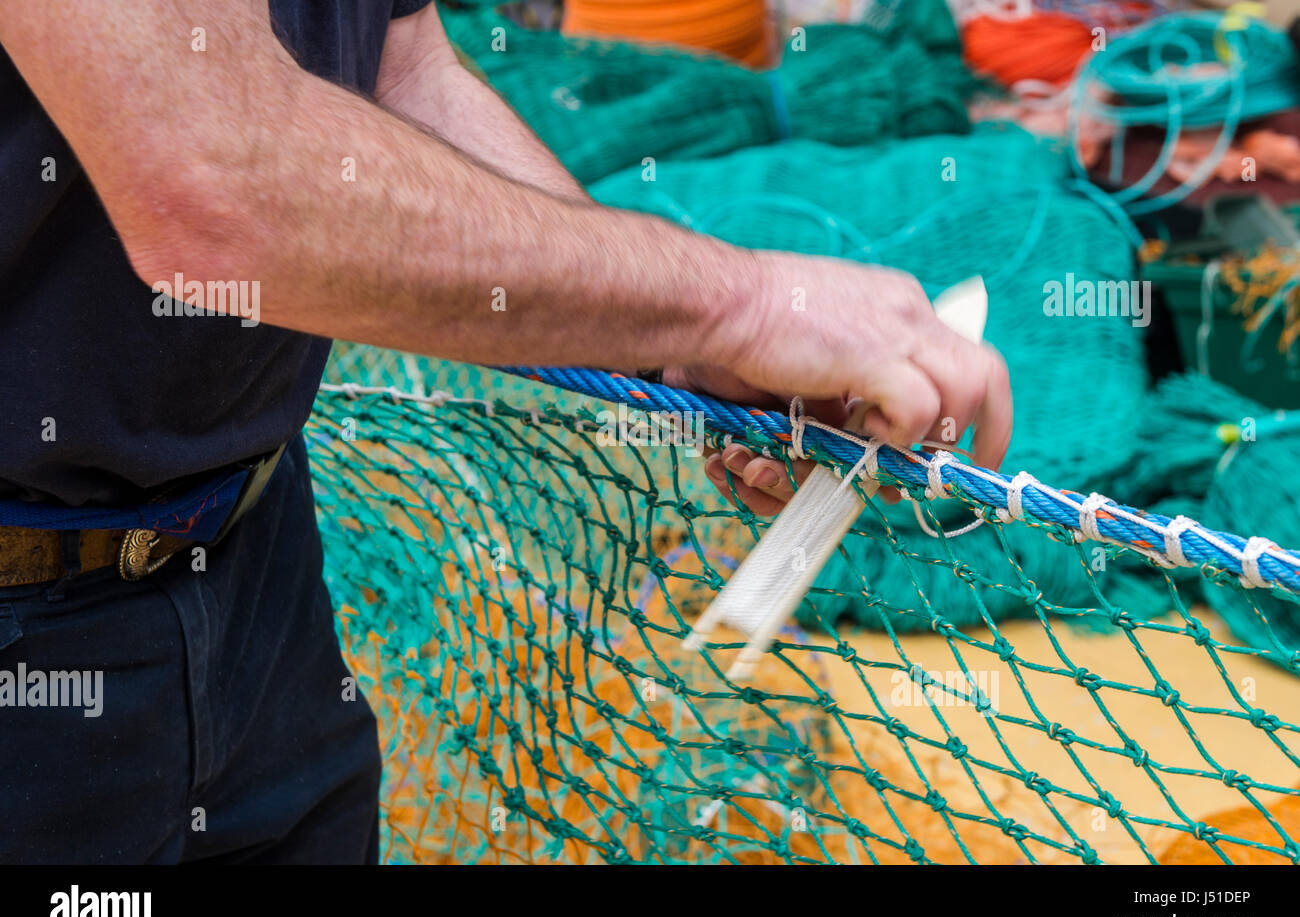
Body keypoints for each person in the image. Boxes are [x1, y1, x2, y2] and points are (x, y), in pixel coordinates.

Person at [0, 0, 1012, 863]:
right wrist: (735, 305)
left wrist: (662, 349)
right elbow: (216, 176)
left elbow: (401, 73)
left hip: (252, 550)